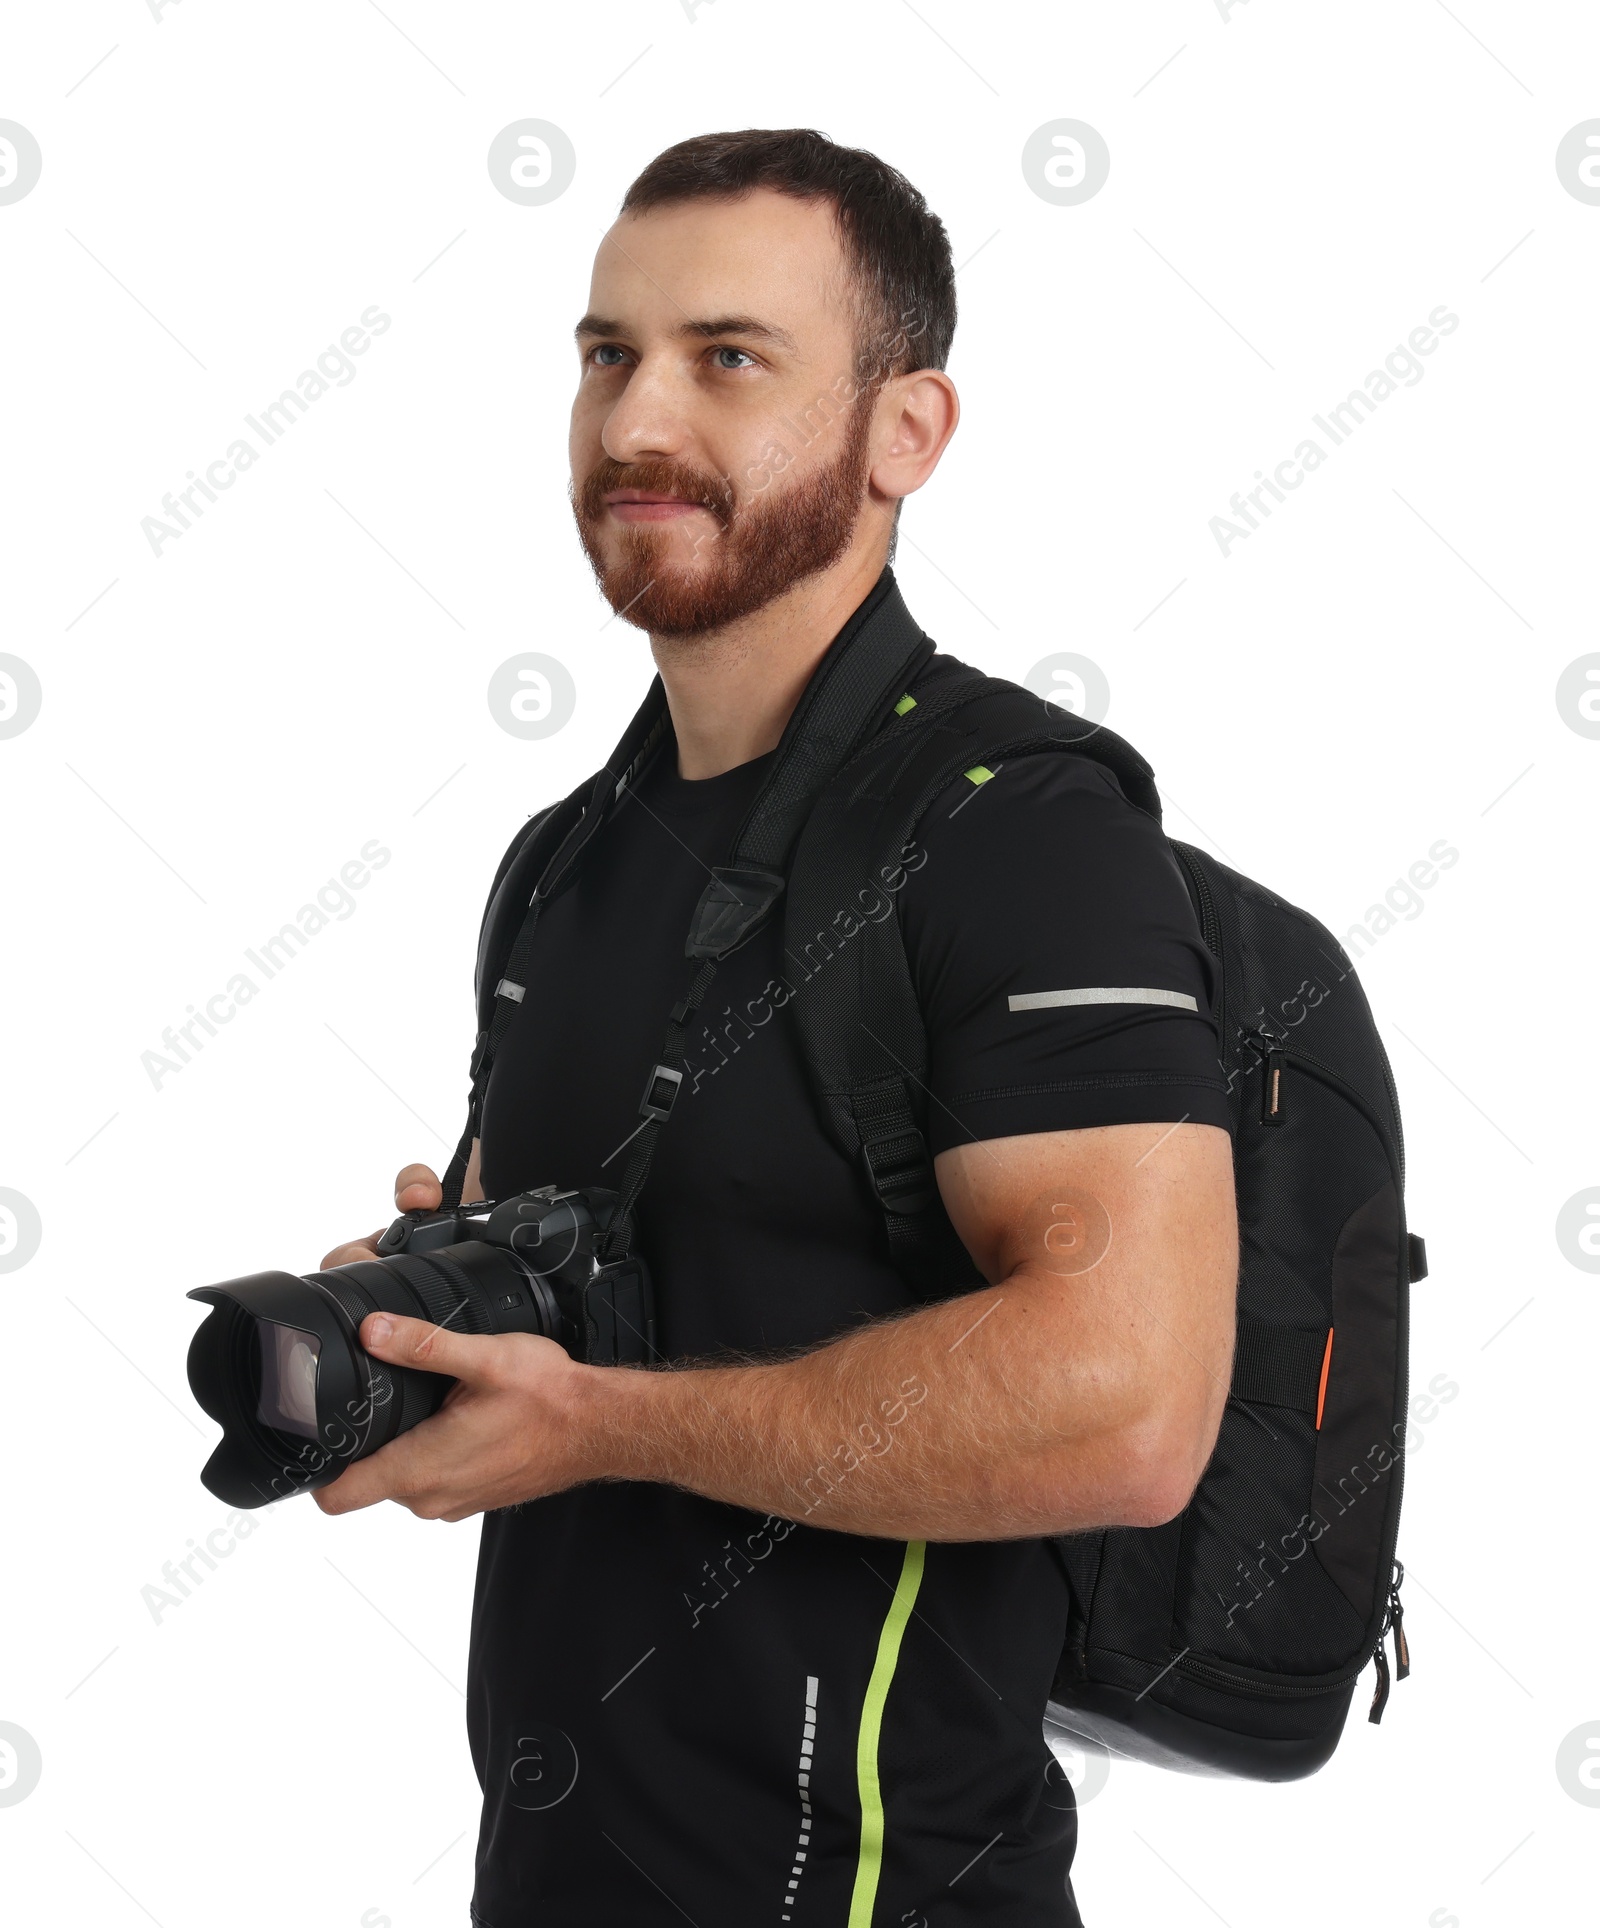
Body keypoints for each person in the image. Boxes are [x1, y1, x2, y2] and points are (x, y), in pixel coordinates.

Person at [315, 128, 1238, 1928]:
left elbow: (1133, 1406)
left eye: (727, 358)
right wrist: (438, 1298)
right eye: (607, 355)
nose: (639, 421)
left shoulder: (1020, 835)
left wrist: (601, 1424)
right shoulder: (568, 857)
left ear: (909, 433)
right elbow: (639, 1273)